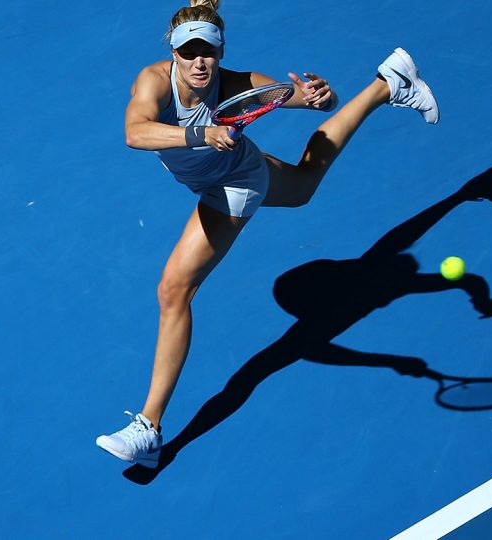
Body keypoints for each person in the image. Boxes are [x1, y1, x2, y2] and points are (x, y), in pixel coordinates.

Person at [95, 0, 439, 468]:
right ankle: (387, 85)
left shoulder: (237, 84)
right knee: (303, 185)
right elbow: (136, 132)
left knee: (174, 290)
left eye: (208, 52)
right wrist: (203, 134)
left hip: (233, 180)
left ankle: (148, 429)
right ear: (172, 51)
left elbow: (299, 97)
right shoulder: (153, 82)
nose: (199, 62)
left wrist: (321, 96)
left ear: (221, 50)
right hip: (226, 163)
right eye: (188, 52)